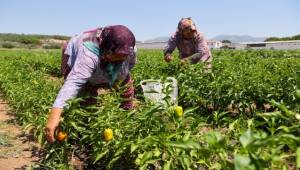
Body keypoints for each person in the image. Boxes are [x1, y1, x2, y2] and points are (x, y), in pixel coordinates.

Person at [45, 25, 137, 143]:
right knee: (86, 93)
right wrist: (54, 116)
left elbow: (129, 67)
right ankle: (86, 126)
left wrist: (113, 76)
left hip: (107, 55)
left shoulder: (129, 49)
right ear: (106, 49)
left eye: (123, 56)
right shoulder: (88, 53)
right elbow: (74, 83)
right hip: (77, 52)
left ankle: (127, 118)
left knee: (125, 83)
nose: (121, 58)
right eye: (116, 56)